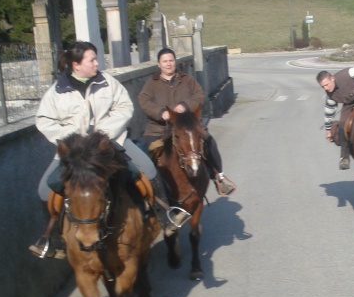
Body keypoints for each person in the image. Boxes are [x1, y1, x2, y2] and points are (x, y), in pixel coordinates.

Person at [29, 41, 180, 259]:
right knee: (45, 189)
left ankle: (165, 216)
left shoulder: (107, 82)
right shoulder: (56, 91)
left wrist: (103, 133)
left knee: (147, 168)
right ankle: (55, 238)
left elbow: (125, 107)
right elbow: (44, 120)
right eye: (91, 59)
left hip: (110, 142)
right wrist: (70, 139)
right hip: (75, 151)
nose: (97, 63)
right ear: (76, 64)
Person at [138, 47, 236, 196]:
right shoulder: (151, 84)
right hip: (159, 129)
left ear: (175, 62)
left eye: (171, 60)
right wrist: (160, 112)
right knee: (146, 153)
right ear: (159, 64)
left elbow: (199, 95)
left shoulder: (188, 80)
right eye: (165, 61)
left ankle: (219, 177)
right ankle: (150, 192)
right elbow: (144, 101)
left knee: (209, 142)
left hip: (188, 127)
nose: (168, 64)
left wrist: (185, 105)